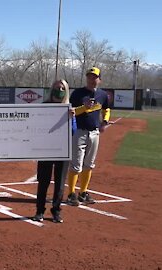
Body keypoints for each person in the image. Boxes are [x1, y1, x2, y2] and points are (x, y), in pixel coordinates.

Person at [65, 67, 111, 206]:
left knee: (89, 164)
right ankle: (71, 193)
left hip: (94, 132)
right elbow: (70, 111)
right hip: (79, 131)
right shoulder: (78, 93)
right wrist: (84, 107)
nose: (92, 79)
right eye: (89, 77)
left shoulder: (102, 95)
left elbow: (106, 109)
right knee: (76, 164)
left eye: (94, 77)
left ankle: (83, 192)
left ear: (99, 79)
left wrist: (105, 121)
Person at [32, 79, 76, 223]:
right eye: (57, 87)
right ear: (52, 89)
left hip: (62, 150)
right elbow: (36, 127)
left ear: (66, 91)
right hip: (46, 150)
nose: (59, 90)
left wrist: (71, 118)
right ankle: (39, 211)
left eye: (62, 88)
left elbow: (73, 131)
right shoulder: (44, 106)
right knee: (43, 181)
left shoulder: (68, 108)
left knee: (59, 182)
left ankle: (56, 211)